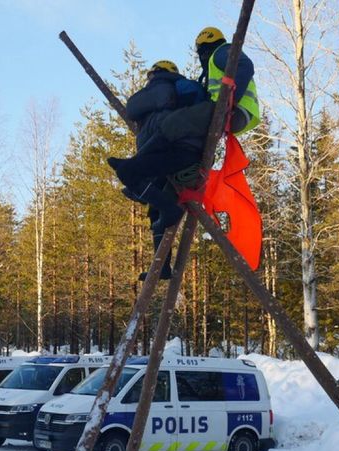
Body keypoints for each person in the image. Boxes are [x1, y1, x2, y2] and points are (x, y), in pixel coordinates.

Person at [109, 27, 260, 232]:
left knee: (172, 124)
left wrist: (230, 98)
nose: (200, 57)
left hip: (231, 109)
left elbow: (245, 66)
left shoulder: (221, 52)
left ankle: (137, 167)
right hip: (232, 112)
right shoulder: (212, 64)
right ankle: (143, 179)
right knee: (174, 131)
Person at [108, 60, 206, 281]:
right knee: (155, 208)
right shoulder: (181, 91)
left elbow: (133, 108)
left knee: (128, 173)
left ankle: (168, 208)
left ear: (158, 72)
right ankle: (162, 267)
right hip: (174, 150)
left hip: (173, 149)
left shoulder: (165, 85)